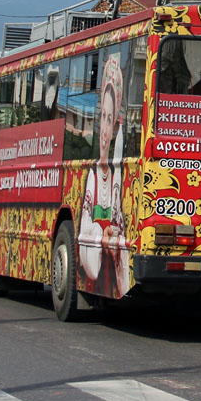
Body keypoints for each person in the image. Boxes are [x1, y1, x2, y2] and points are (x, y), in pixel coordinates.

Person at [80, 53, 130, 298]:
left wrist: (113, 234)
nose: (105, 129)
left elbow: (119, 221)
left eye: (111, 120)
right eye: (103, 118)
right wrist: (102, 234)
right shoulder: (92, 176)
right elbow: (86, 228)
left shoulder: (117, 174)